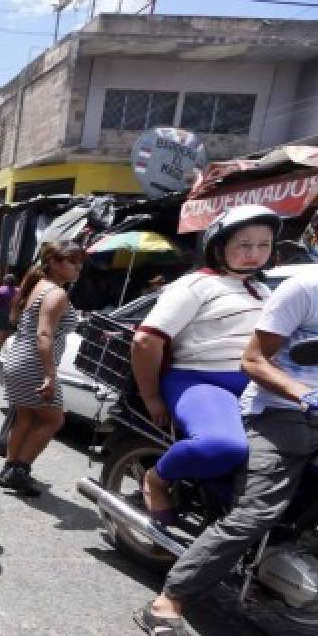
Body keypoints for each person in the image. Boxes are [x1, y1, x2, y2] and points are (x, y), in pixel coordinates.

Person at [136, 262, 318, 636]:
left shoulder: (258, 290)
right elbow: (253, 361)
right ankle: (168, 604)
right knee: (256, 512)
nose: (253, 252)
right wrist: (301, 393)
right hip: (280, 411)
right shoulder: (304, 289)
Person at [130, 206, 280, 525]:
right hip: (201, 381)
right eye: (244, 244)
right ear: (218, 246)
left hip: (258, 383)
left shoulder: (263, 289)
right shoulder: (194, 285)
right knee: (223, 446)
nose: (255, 253)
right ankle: (157, 480)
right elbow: (146, 341)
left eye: (263, 245)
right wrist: (152, 397)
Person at [0, 242, 84, 495]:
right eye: (72, 262)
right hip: (34, 364)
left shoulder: (37, 285)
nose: (78, 268)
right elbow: (44, 335)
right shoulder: (56, 294)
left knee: (25, 417)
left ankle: (10, 469)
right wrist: (49, 374)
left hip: (18, 360)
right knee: (55, 419)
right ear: (54, 263)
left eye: (79, 263)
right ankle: (19, 470)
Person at [0, 274, 18, 349]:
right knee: (10, 334)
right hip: (13, 313)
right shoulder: (18, 291)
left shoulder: (0, 290)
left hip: (1, 313)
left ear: (4, 281)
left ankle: (0, 350)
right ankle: (7, 351)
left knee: (0, 332)